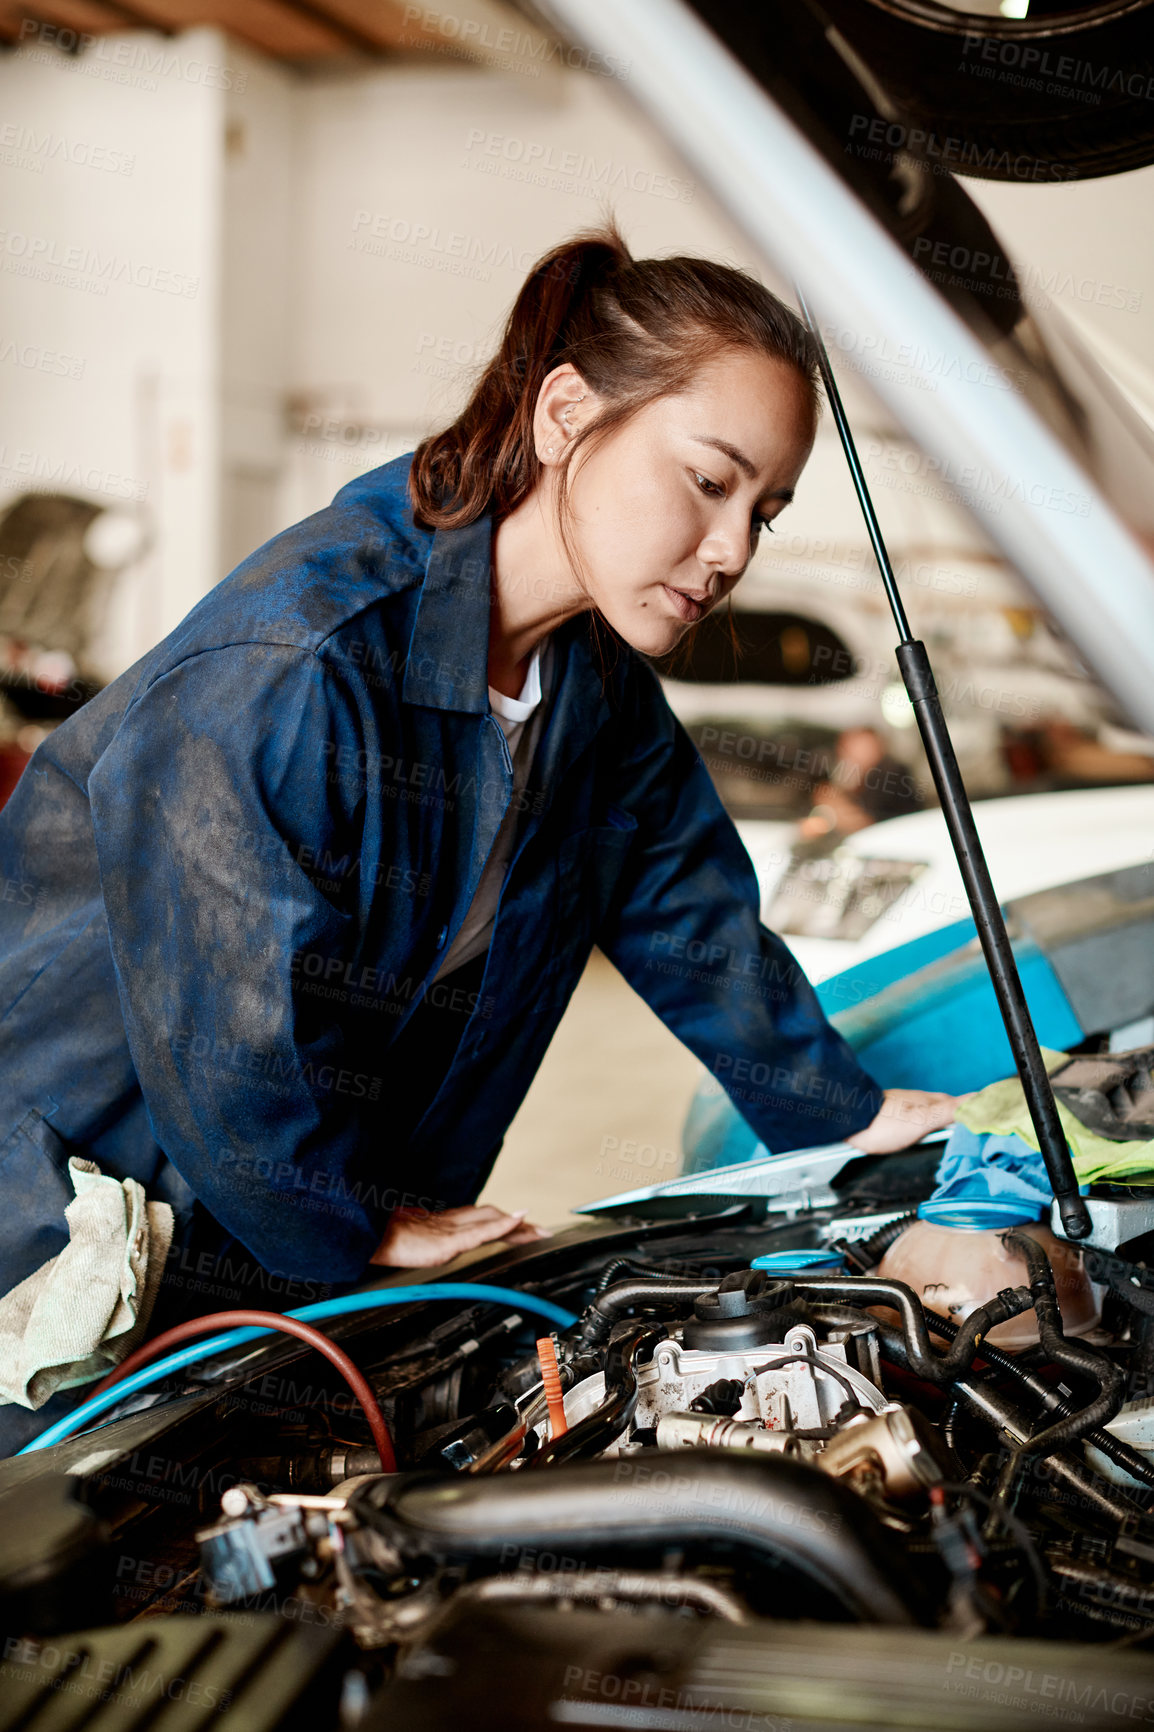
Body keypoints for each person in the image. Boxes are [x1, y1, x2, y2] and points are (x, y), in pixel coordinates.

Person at [0, 226, 961, 1449]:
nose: (730, 551)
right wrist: (353, 1229)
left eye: (763, 511)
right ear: (566, 411)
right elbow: (226, 1030)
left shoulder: (588, 684)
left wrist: (837, 1110)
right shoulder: (294, 662)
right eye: (708, 481)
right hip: (78, 1236)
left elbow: (686, 912)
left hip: (291, 1240)